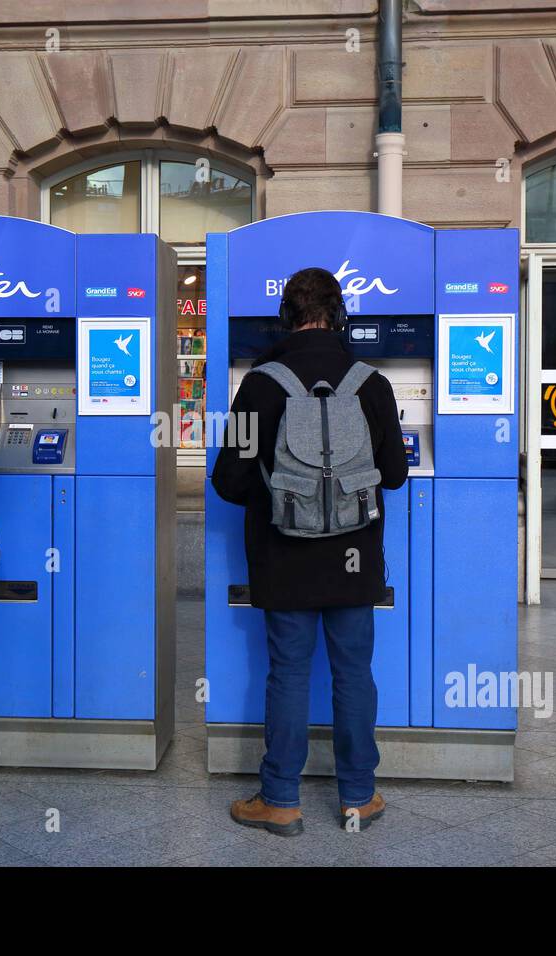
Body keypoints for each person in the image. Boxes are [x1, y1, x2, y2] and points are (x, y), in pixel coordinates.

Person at [212, 266, 408, 836]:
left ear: (287, 317)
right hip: (353, 556)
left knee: (288, 673)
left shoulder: (260, 383)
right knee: (353, 672)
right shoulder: (371, 382)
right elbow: (393, 475)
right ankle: (359, 797)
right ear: (338, 313)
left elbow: (228, 480)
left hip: (285, 553)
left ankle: (280, 801)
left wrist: (282, 492)